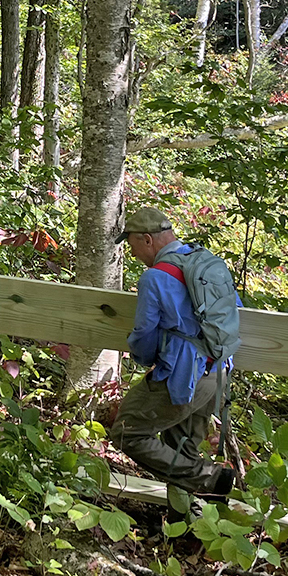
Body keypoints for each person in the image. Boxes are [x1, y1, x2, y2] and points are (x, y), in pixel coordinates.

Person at [108, 208, 239, 498]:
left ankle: (213, 479)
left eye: (131, 246)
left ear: (147, 240)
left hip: (182, 379)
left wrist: (146, 361)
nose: (133, 254)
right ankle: (191, 524)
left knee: (127, 432)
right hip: (218, 370)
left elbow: (144, 333)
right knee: (180, 449)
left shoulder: (154, 278)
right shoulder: (206, 262)